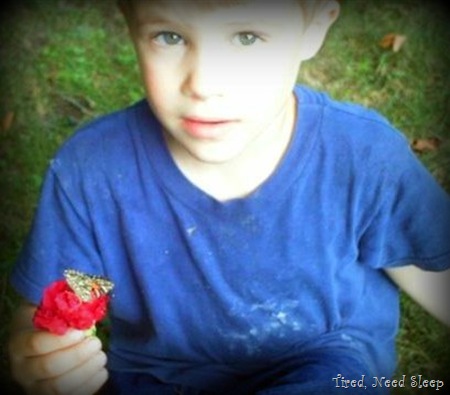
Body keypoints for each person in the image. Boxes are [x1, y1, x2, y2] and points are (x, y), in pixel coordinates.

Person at [8, 0, 450, 394]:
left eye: (246, 37)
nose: (204, 82)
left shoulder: (360, 155)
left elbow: (422, 259)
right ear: (130, 22)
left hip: (327, 362)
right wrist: (45, 354)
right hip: (158, 377)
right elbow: (67, 297)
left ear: (313, 26)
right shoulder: (95, 172)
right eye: (170, 36)